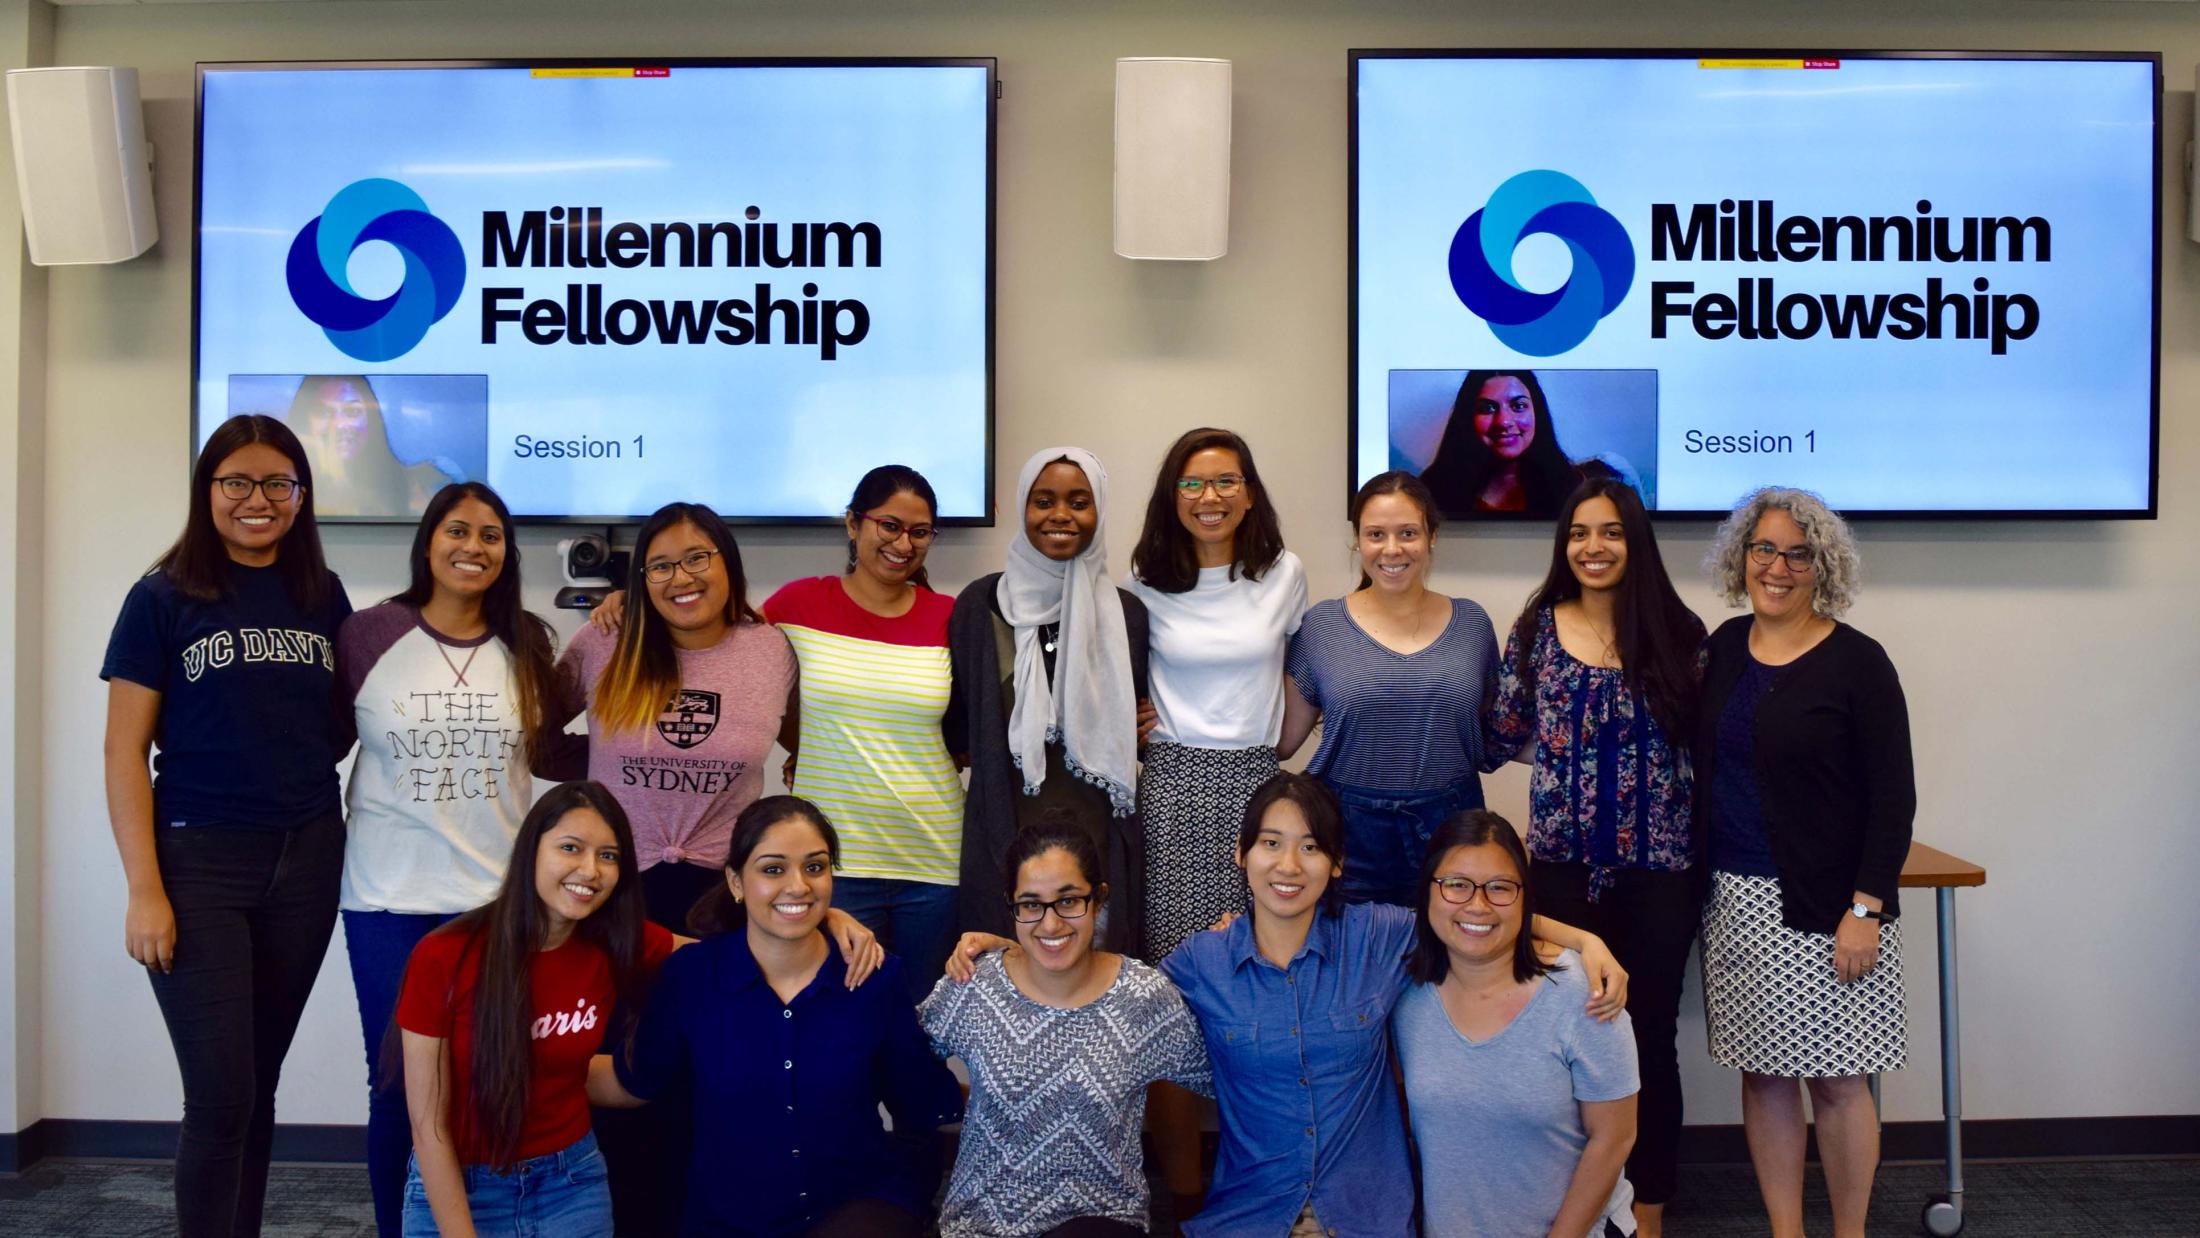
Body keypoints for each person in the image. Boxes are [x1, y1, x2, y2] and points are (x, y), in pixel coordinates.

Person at [946, 773, 1630, 1238]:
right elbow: (1097, 979)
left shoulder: (1377, 938)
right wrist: (1023, 939)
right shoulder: (1198, 964)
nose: (1288, 865)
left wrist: (1584, 940)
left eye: (1310, 847)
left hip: (1367, 1215)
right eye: (1270, 844)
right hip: (1250, 1215)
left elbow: (1470, 911)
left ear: (1335, 864)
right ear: (1243, 855)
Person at [100, 414, 353, 1238]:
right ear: (207, 491)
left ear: (300, 495)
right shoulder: (162, 596)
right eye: (236, 482)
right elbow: (123, 750)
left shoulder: (322, 594)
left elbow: (339, 721)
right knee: (219, 1096)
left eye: (277, 483)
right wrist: (145, 890)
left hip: (308, 859)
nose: (258, 499)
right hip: (199, 863)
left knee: (256, 1084)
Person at [336, 481, 562, 1237]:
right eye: (458, 531)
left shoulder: (528, 641)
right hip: (387, 900)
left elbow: (555, 749)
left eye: (492, 535)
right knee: (398, 1087)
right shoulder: (368, 634)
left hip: (497, 899)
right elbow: (317, 741)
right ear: (428, 541)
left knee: (487, 1081)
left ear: (508, 552)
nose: (474, 547)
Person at [1484, 475, 1705, 1237]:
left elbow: (1708, 751)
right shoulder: (1537, 629)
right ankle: (1572, 1206)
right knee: (1563, 1034)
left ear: (1634, 540)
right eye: (1579, 532)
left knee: (1647, 1037)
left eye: (1610, 531)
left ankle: (1647, 1215)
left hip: (1660, 877)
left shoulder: (1680, 634)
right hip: (1561, 877)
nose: (1593, 546)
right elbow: (1503, 729)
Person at [1695, 487, 1913, 1238]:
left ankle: (1848, 1233)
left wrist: (1866, 909)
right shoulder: (1722, 648)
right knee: (1764, 1075)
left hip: (1829, 910)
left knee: (1841, 1084)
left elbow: (1894, 799)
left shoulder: (1858, 663)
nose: (1778, 567)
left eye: (1797, 553)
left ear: (1823, 566)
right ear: (1742, 559)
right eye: (1764, 550)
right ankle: (1786, 1231)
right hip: (1734, 903)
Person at [596, 795, 956, 1237]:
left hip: (859, 1211)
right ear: (735, 881)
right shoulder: (691, 977)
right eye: (772, 869)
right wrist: (534, 1069)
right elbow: (637, 1079)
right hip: (726, 1221)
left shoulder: (876, 978)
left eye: (815, 867)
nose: (799, 886)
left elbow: (922, 1102)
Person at [1124, 427, 1306, 1213]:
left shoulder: (1284, 574)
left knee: (1262, 990)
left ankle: (1254, 1180)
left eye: (1226, 481)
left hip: (1255, 791)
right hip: (1171, 788)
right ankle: (1186, 1190)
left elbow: (1300, 680)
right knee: (1175, 992)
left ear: (1250, 491)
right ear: (1173, 497)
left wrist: (1282, 752)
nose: (1211, 498)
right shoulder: (1143, 579)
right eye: (1193, 484)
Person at [396, 781, 673, 1238]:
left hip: (571, 1181)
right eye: (571, 847)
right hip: (461, 1186)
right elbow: (429, 1127)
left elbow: (729, 955)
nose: (590, 870)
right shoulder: (444, 955)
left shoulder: (616, 940)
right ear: (531, 851)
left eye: (609, 856)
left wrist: (824, 918)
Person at [921, 815, 1212, 1237]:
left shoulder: (1144, 997)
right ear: (1012, 907)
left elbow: (1225, 1080)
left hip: (1102, 1223)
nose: (1051, 923)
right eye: (1031, 905)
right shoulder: (975, 985)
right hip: (981, 1224)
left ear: (1099, 898)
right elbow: (897, 1056)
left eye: (1069, 900)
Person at [1395, 810, 1642, 1238]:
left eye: (1499, 888)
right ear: (1428, 892)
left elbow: (1615, 1139)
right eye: (1456, 885)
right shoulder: (1404, 992)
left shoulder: (1583, 993)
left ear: (1524, 896)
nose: (1477, 904)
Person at [765, 465, 963, 997]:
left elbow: (985, 719)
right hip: (833, 863)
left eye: (919, 532)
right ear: (853, 524)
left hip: (934, 859)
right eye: (889, 525)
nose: (904, 543)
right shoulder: (797, 605)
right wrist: (630, 600)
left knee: (923, 1029)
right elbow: (720, 646)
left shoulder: (950, 617)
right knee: (838, 1021)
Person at [554, 501, 798, 930]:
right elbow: (537, 739)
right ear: (642, 579)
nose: (681, 577)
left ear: (727, 559)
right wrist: (602, 763)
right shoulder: (606, 639)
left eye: (697, 558)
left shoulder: (771, 649)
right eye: (660, 567)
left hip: (725, 892)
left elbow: (807, 745)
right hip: (614, 879)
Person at [949, 447, 1150, 950]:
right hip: (1005, 828)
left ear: (1098, 512)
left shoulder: (1126, 613)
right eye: (1044, 501)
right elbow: (959, 728)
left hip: (1100, 832)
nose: (1060, 515)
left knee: (1096, 976)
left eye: (1079, 502)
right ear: (1023, 508)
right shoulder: (980, 605)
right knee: (1003, 974)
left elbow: (1137, 725)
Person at [1279, 470, 1499, 906]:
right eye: (1376, 534)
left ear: (1431, 537)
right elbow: (1282, 741)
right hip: (1348, 831)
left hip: (1452, 826)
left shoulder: (1472, 624)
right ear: (1358, 541)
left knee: (1447, 963)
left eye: (1408, 533)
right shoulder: (1321, 626)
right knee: (1357, 963)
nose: (1392, 549)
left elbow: (1498, 730)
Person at [1419, 370, 1582, 517]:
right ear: (1467, 417)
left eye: (1518, 406)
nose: (1503, 421)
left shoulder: (1573, 488)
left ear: (1537, 413)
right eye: (1487, 408)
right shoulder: (1430, 491)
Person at [285, 375, 451, 518]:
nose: (339, 425)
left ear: (372, 421)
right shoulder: (285, 490)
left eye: (352, 412)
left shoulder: (430, 484)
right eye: (323, 413)